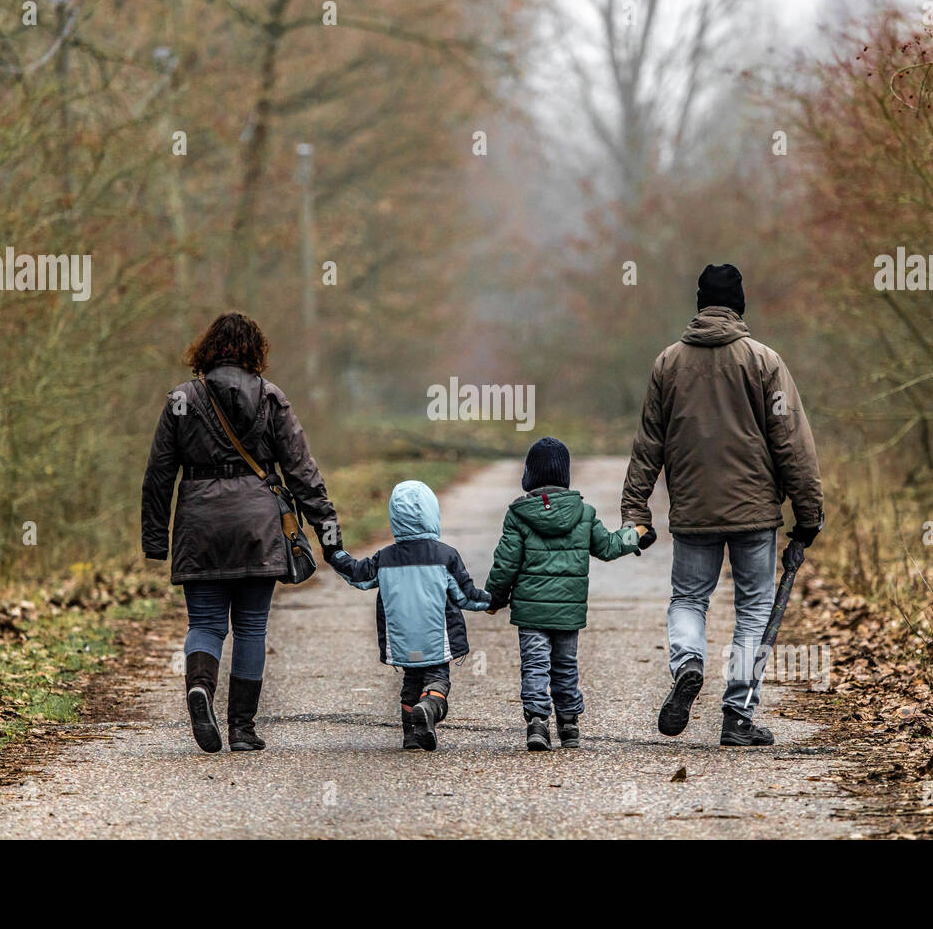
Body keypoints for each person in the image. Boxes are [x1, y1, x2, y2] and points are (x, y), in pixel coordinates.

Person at [621, 265, 824, 746]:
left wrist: (636, 511)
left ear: (699, 305)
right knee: (753, 609)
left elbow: (649, 442)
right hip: (755, 512)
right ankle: (737, 715)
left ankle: (689, 661)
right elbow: (792, 442)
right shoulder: (764, 362)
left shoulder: (668, 364)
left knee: (690, 598)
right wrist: (809, 512)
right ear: (740, 305)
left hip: (693, 511)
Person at [141, 311, 343, 753]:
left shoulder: (180, 399)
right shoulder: (271, 398)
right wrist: (328, 532)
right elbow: (302, 471)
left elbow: (158, 474)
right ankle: (242, 728)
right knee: (251, 626)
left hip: (200, 526)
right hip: (258, 525)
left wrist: (156, 539)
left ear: (206, 349)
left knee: (206, 624)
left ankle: (200, 688)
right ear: (255, 352)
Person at [486, 437, 642, 751]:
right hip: (568, 612)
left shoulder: (518, 515)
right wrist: (633, 534)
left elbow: (506, 563)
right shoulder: (583, 513)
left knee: (535, 665)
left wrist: (495, 597)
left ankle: (538, 723)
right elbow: (608, 546)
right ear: (565, 476)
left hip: (531, 613)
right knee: (565, 665)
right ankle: (569, 726)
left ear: (529, 476)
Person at [328, 480, 492, 751]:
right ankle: (429, 706)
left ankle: (411, 735)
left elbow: (358, 576)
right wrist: (494, 600)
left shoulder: (385, 558)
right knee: (437, 678)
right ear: (432, 514)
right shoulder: (445, 556)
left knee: (411, 680)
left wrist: (335, 553)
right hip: (436, 641)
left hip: (402, 641)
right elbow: (466, 597)